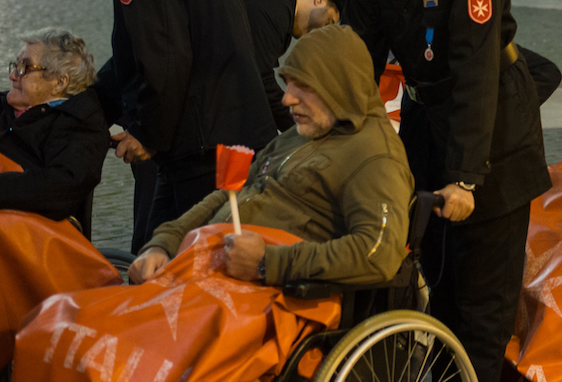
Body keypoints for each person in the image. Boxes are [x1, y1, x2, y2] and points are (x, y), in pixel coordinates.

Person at [339, 0, 551, 382]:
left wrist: (464, 178)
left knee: (480, 302)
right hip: (430, 133)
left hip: (494, 144)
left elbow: (476, 73)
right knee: (436, 287)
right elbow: (359, 52)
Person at [129, 23, 412, 287]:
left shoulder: (374, 158)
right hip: (214, 272)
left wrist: (267, 263)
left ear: (338, 86)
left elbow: (378, 253)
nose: (287, 98)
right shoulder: (303, 132)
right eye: (288, 83)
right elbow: (231, 193)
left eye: (302, 86)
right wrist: (165, 241)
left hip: (271, 299)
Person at [92, 0, 276, 250]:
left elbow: (162, 54)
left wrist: (147, 132)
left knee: (181, 259)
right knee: (157, 245)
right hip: (222, 127)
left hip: (199, 140)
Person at [1, 29, 110, 232]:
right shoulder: (4, 107)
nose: (13, 75)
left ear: (59, 82)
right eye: (16, 66)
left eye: (24, 68)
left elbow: (61, 187)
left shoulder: (80, 124)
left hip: (31, 240)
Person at [238, 0, 347, 130]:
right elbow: (259, 82)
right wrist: (297, 127)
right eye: (328, 22)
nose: (322, 33)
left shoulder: (278, 3)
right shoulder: (274, 8)